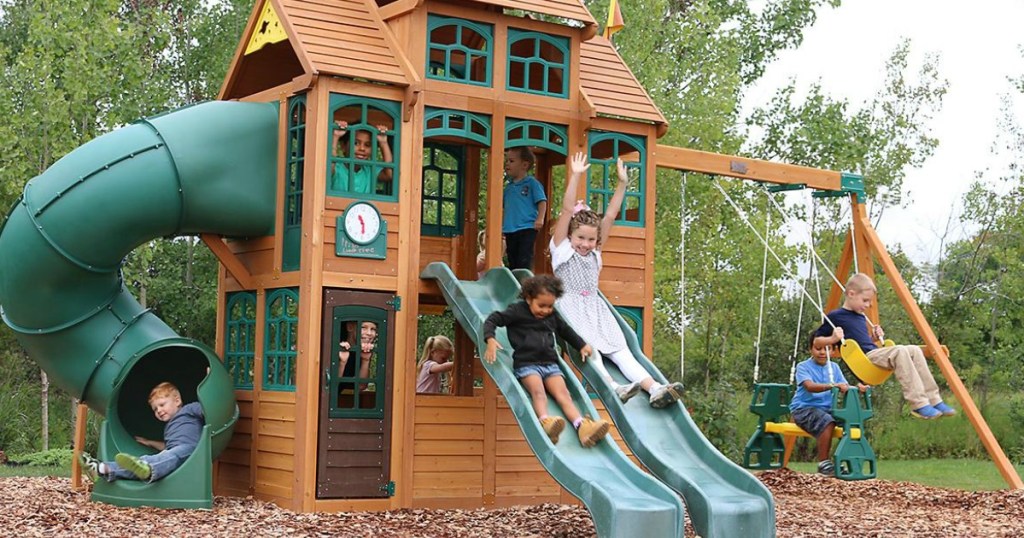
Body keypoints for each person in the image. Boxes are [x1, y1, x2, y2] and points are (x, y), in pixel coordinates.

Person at [550, 152, 684, 408]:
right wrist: (575, 175)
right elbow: (567, 209)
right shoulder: (562, 249)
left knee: (621, 350)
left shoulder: (595, 253)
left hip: (595, 309)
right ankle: (614, 387)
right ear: (570, 235)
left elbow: (610, 216)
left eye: (591, 239)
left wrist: (622, 183)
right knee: (590, 349)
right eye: (581, 238)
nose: (586, 244)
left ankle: (655, 388)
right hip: (570, 307)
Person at [483, 274, 610, 447]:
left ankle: (582, 426)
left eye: (550, 306)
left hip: (550, 364)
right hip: (527, 365)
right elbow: (493, 319)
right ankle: (546, 422)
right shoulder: (517, 311)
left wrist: (581, 344)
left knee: (564, 394)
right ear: (529, 298)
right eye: (541, 305)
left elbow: (565, 330)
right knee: (538, 392)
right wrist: (490, 339)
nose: (546, 310)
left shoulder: (552, 316)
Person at [815, 273, 955, 419]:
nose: (868, 305)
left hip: (874, 353)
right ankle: (918, 404)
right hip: (865, 360)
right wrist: (832, 338)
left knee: (914, 350)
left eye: (869, 302)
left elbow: (863, 342)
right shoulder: (835, 316)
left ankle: (934, 399)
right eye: (865, 300)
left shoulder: (861, 316)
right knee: (900, 350)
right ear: (851, 294)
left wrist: (874, 338)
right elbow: (817, 342)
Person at [78, 382, 204, 483]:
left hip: (193, 450)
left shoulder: (189, 409)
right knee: (149, 462)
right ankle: (102, 469)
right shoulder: (168, 428)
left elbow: (207, 409)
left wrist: (208, 384)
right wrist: (150, 442)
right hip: (174, 453)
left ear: (177, 401)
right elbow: (168, 447)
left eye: (162, 405)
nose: (159, 410)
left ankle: (146, 467)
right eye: (155, 409)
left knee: (167, 457)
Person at [790, 332, 868, 476]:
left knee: (851, 421)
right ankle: (824, 464)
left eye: (827, 349)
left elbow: (844, 387)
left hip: (827, 409)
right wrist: (832, 386)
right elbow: (809, 386)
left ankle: (847, 460)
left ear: (833, 351)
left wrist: (858, 388)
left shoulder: (834, 368)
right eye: (818, 348)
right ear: (810, 349)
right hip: (804, 409)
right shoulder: (803, 367)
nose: (822, 352)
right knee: (827, 422)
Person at [501, 146, 547, 271]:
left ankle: (525, 279)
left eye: (511, 161)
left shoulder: (532, 183)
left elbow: (542, 201)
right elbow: (504, 208)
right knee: (512, 258)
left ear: (524, 165)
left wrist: (540, 219)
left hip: (527, 227)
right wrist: (502, 225)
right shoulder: (508, 187)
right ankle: (515, 280)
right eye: (506, 161)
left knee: (524, 257)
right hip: (510, 229)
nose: (507, 164)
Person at [330, 120, 393, 194]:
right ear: (343, 146)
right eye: (356, 143)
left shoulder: (370, 170)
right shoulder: (337, 166)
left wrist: (383, 142)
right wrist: (335, 136)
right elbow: (328, 169)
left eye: (367, 145)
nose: (362, 148)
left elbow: (389, 174)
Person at [339, 320, 378, 389]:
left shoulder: (362, 352)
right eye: (363, 327)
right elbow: (329, 386)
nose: (369, 333)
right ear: (350, 327)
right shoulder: (337, 347)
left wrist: (365, 360)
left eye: (373, 329)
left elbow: (361, 386)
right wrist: (342, 362)